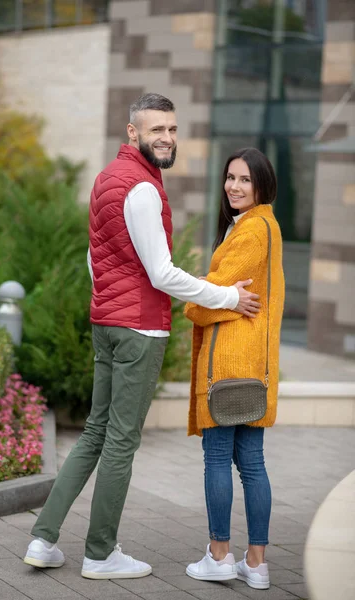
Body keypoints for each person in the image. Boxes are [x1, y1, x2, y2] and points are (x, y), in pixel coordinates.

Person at [23, 94, 261, 580]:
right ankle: (100, 553)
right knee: (120, 441)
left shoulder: (107, 179)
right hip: (138, 330)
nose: (167, 138)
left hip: (107, 324)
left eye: (172, 129)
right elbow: (162, 273)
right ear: (133, 133)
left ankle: (43, 540)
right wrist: (228, 298)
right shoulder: (143, 188)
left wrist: (110, 301)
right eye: (157, 130)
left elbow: (96, 259)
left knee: (95, 432)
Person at [184, 147, 285, 590]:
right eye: (230, 177)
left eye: (245, 179)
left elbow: (210, 297)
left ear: (261, 184)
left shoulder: (251, 231)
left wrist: (196, 297)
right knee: (253, 463)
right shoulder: (265, 225)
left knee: (218, 460)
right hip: (256, 363)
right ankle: (257, 563)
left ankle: (220, 555)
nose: (234, 186)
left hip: (228, 361)